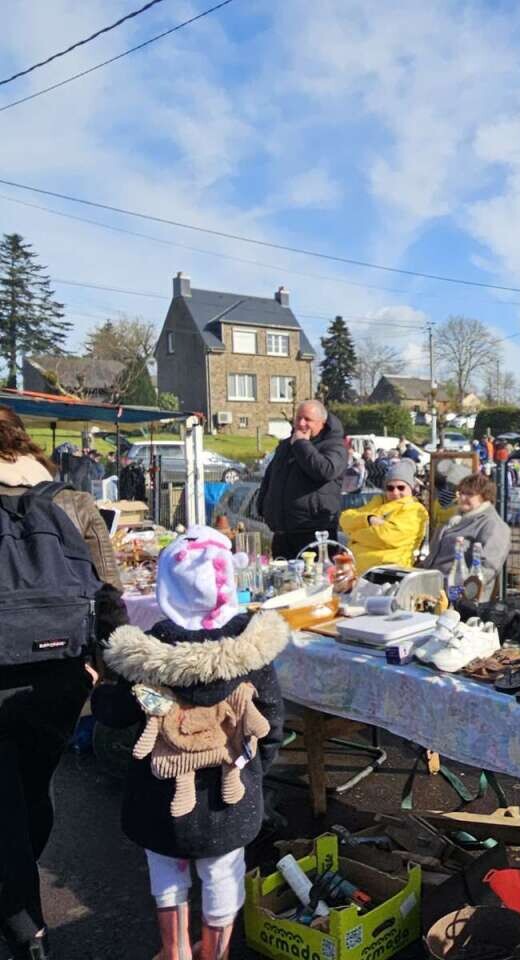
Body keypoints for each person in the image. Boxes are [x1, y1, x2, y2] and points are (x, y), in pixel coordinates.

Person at [92, 528, 284, 960]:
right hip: (230, 791)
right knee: (223, 871)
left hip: (159, 793)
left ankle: (174, 948)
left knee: (166, 867)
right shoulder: (251, 650)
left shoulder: (148, 654)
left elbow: (117, 712)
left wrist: (99, 688)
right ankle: (213, 952)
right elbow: (271, 721)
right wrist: (253, 770)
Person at [0, 407, 128, 959]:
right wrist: (102, 668)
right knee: (32, 789)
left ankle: (21, 923)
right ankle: (22, 915)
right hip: (58, 677)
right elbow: (110, 592)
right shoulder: (70, 500)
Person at [258, 400, 348, 559]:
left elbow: (325, 471)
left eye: (308, 419)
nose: (301, 423)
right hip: (282, 532)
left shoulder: (335, 445)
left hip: (313, 532)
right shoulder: (287, 445)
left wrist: (301, 444)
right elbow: (271, 476)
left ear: (322, 422)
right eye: (298, 418)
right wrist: (263, 506)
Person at [424, 474, 512, 592]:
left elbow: (487, 568)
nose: (462, 497)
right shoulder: (456, 518)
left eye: (469, 494)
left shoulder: (493, 525)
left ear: (485, 496)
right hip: (432, 586)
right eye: (461, 493)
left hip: (459, 593)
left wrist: (464, 591)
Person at [338, 461, 429, 574]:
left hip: (385, 572)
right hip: (355, 568)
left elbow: (388, 537)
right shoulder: (378, 502)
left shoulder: (415, 510)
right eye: (390, 488)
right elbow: (344, 518)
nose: (395, 492)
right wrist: (368, 519)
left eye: (401, 488)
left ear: (411, 488)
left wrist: (354, 533)